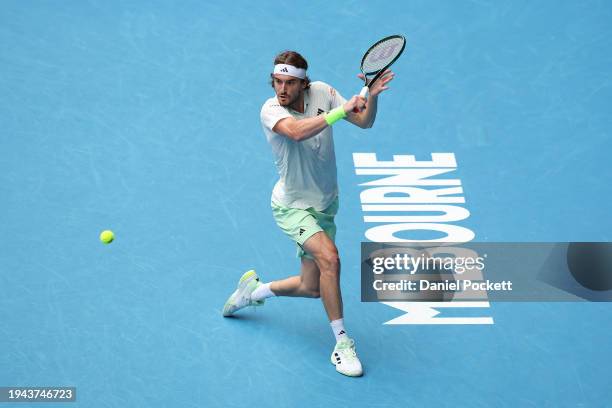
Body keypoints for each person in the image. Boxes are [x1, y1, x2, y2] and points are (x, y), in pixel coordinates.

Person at [222, 50, 394, 377]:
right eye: (277, 81)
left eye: (289, 82)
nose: (282, 89)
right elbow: (298, 132)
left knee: (311, 286)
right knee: (331, 258)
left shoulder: (324, 92)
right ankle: (342, 344)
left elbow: (364, 121)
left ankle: (253, 291)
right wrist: (339, 111)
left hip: (326, 203)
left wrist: (370, 96)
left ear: (304, 83)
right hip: (292, 208)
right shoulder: (270, 110)